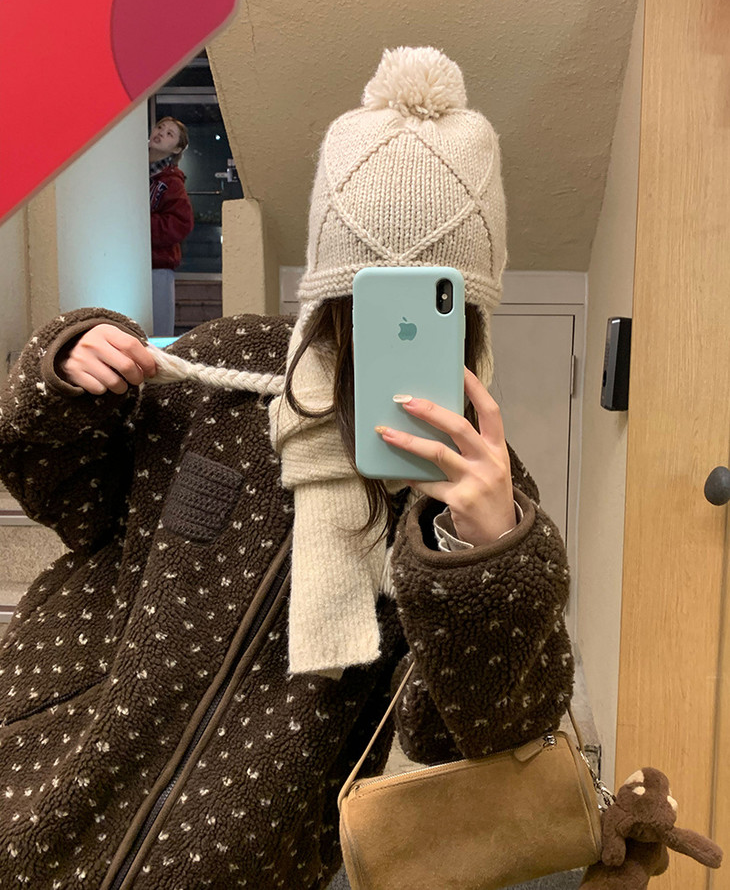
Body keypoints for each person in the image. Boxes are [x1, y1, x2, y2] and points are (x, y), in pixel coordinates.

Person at [0, 47, 574, 889]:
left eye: (425, 306)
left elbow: (471, 737)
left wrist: (479, 556)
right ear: (327, 286)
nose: (386, 335)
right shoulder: (229, 365)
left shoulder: (481, 489)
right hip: (43, 786)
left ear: (469, 311)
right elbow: (67, 494)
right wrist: (65, 364)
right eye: (365, 298)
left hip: (245, 863)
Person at [149, 116, 194, 337]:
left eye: (169, 134)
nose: (160, 133)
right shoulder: (130, 169)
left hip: (158, 265)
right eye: (160, 127)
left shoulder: (172, 182)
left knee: (157, 335)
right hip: (129, 264)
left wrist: (142, 227)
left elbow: (181, 222)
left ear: (176, 148)